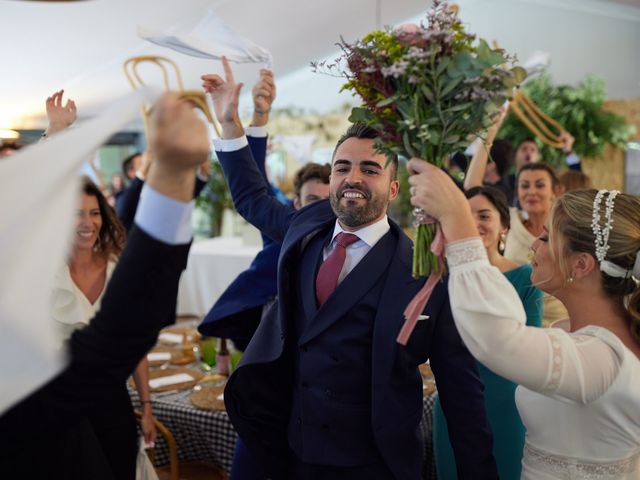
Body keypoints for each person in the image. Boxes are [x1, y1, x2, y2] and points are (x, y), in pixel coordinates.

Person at [202, 57, 497, 480]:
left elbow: (461, 395)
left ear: (394, 188)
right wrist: (230, 122)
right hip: (293, 454)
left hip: (375, 464)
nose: (352, 178)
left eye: (369, 169)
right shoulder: (305, 227)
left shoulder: (427, 272)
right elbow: (251, 197)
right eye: (343, 167)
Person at [0, 93, 209, 479]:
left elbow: (125, 336)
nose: (87, 222)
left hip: (104, 402)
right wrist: (172, 180)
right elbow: (121, 330)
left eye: (94, 213)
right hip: (60, 412)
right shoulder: (39, 273)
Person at [407, 158, 640, 480]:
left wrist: (457, 218)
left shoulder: (603, 358)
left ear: (581, 265)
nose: (534, 244)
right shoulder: (588, 336)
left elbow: (496, 338)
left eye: (546, 237)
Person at [432, 185, 542, 480]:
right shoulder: (442, 278)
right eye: (465, 215)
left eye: (484, 215)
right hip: (453, 401)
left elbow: (530, 343)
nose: (474, 223)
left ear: (504, 226)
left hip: (506, 402)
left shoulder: (526, 279)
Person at [51, 176, 157, 478]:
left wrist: (147, 407)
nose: (88, 222)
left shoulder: (118, 271)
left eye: (94, 213)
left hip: (112, 402)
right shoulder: (47, 275)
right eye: (77, 213)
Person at [503, 163, 568, 325]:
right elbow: (473, 188)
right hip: (514, 317)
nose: (531, 192)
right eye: (524, 186)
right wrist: (487, 138)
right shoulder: (509, 219)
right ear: (517, 191)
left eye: (540, 185)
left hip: (558, 320)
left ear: (555, 191)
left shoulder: (566, 228)